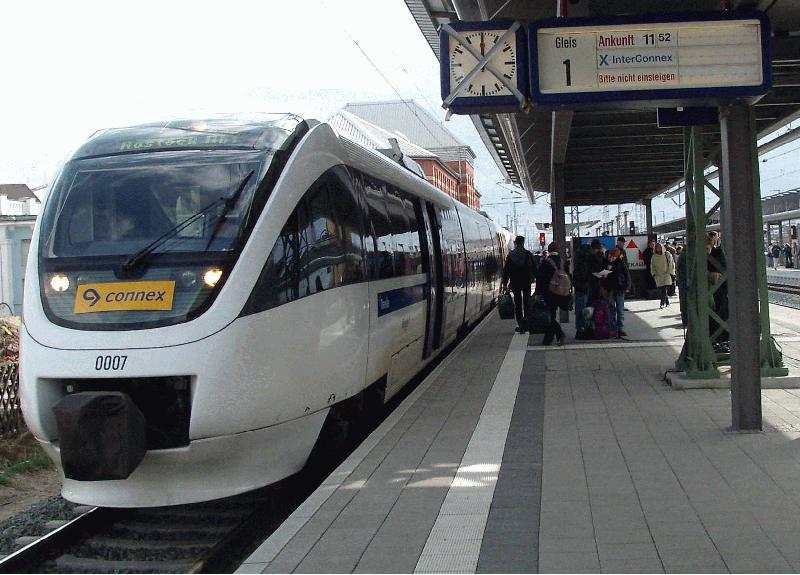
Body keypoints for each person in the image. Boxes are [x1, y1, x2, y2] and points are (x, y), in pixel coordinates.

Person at [501, 236, 536, 334]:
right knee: (527, 303)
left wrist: (504, 283)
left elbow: (506, 270)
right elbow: (534, 268)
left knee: (518, 304)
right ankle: (527, 324)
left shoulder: (511, 255)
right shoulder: (528, 254)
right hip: (526, 282)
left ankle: (520, 325)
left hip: (515, 282)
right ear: (523, 242)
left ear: (515, 242)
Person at [535, 241, 566, 346]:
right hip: (561, 292)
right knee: (551, 314)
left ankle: (559, 333)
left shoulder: (545, 262)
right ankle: (548, 339)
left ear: (549, 250)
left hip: (549, 293)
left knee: (549, 315)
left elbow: (540, 279)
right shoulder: (562, 261)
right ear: (557, 250)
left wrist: (538, 292)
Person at [603, 247, 628, 338]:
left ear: (616, 256)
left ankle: (620, 329)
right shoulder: (606, 263)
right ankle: (613, 328)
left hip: (619, 288)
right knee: (611, 309)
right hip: (610, 289)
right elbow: (604, 277)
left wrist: (627, 286)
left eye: (613, 256)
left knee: (620, 309)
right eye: (610, 256)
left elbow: (626, 274)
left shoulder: (621, 263)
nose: (610, 258)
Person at [571, 243, 592, 339]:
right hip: (583, 289)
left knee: (580, 310)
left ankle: (580, 330)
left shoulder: (579, 263)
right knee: (582, 311)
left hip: (581, 289)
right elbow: (583, 277)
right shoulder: (584, 264)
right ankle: (581, 330)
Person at [650, 243, 674, 309]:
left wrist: (670, 272)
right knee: (662, 289)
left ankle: (662, 303)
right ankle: (667, 302)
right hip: (658, 275)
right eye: (657, 247)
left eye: (659, 247)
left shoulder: (667, 254)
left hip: (666, 274)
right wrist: (653, 273)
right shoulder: (654, 256)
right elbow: (652, 266)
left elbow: (671, 263)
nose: (658, 249)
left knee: (664, 289)